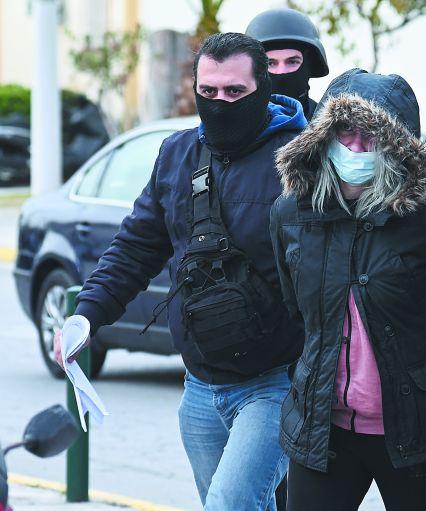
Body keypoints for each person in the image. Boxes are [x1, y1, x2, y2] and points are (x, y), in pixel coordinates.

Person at [54, 32, 308, 511]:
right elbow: (136, 246)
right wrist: (86, 314)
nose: (220, 102)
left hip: (276, 381)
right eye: (208, 91)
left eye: (235, 91)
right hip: (199, 385)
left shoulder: (299, 160)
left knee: (230, 504)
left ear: (263, 88)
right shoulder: (176, 154)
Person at [270, 68, 426, 511]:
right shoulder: (290, 213)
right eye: (344, 132)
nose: (356, 147)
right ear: (322, 137)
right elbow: (297, 312)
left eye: (371, 135)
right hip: (324, 428)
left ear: (396, 144)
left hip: (420, 428)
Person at [246, 8, 329, 120]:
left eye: (292, 62)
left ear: (309, 66)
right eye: (270, 63)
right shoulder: (233, 126)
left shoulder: (333, 126)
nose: (282, 72)